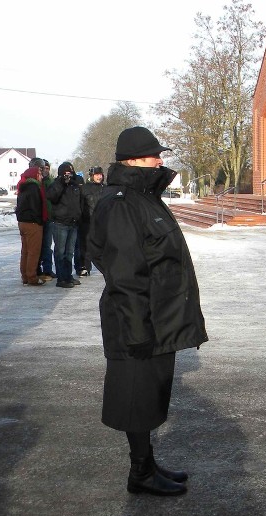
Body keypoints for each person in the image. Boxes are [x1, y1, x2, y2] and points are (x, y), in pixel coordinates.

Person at [89, 126, 208, 497]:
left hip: (157, 316)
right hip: (137, 320)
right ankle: (139, 473)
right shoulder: (122, 202)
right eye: (154, 155)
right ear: (133, 160)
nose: (161, 160)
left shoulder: (144, 196)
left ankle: (147, 463)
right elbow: (123, 272)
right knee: (136, 400)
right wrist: (138, 328)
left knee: (148, 396)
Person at [46, 162, 84, 288]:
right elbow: (52, 196)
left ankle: (68, 276)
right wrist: (62, 183)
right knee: (60, 252)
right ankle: (61, 278)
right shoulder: (56, 184)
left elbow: (80, 202)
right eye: (66, 173)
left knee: (69, 253)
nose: (68, 175)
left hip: (73, 223)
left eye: (71, 172)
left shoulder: (75, 185)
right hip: (60, 223)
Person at [15, 166, 46, 286]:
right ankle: (32, 277)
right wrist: (39, 221)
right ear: (34, 175)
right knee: (34, 251)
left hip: (23, 222)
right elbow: (35, 207)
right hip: (32, 223)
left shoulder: (23, 188)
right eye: (39, 174)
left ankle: (25, 276)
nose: (41, 177)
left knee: (26, 251)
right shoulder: (34, 188)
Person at [75, 166, 106, 277]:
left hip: (102, 221)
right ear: (92, 176)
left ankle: (106, 266)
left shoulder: (105, 188)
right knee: (85, 246)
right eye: (97, 175)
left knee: (103, 245)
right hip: (87, 221)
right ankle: (84, 266)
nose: (99, 177)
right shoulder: (84, 189)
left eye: (100, 174)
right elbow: (80, 205)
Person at [37, 159, 55, 281]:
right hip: (38, 219)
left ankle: (48, 269)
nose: (46, 171)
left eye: (47, 168)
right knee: (37, 246)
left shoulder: (51, 182)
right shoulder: (36, 182)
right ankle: (37, 269)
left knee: (47, 246)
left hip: (48, 218)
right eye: (44, 168)